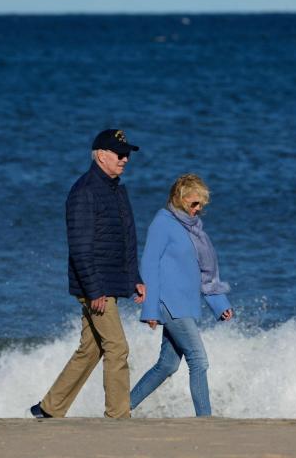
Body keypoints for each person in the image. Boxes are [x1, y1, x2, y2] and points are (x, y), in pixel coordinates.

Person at [30, 129, 146, 419]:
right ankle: (118, 417)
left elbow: (128, 240)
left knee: (91, 350)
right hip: (95, 287)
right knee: (118, 348)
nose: (125, 160)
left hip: (110, 283)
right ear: (101, 155)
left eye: (127, 155)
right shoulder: (84, 192)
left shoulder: (117, 190)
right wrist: (94, 291)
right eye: (120, 154)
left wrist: (136, 279)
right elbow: (80, 248)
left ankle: (49, 408)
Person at [131, 173, 233, 417]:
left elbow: (204, 271)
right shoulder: (163, 223)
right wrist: (151, 310)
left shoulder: (193, 228)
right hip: (169, 303)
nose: (197, 209)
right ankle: (205, 419)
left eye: (201, 205)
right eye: (193, 203)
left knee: (167, 365)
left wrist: (219, 303)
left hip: (185, 304)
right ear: (179, 198)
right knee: (199, 360)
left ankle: (122, 407)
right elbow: (149, 266)